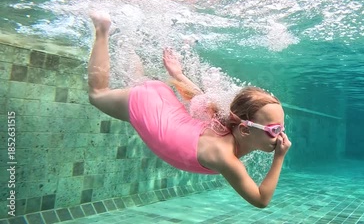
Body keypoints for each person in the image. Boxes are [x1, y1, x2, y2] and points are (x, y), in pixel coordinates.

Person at [87, 11, 292, 208]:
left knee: (138, 82)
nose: (282, 136)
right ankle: (102, 29)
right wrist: (279, 157)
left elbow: (203, 98)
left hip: (161, 99)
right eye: (275, 130)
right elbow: (261, 200)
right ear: (245, 130)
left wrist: (179, 75)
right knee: (97, 94)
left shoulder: (225, 122)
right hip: (149, 110)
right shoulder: (224, 156)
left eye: (281, 128)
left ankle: (128, 41)